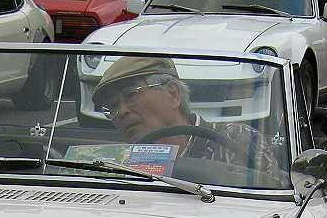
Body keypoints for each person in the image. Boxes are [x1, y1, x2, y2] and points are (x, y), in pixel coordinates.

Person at [91, 56, 283, 178]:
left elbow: (265, 212)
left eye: (131, 94)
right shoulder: (116, 161)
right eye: (113, 106)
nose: (121, 111)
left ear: (173, 94)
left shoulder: (236, 139)